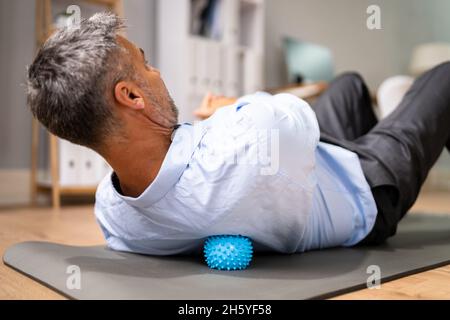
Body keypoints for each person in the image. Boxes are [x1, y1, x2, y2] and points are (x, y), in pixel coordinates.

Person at [27, 13, 450, 255]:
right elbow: (297, 117)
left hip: (309, 165)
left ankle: (388, 121)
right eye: (146, 63)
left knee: (348, 85)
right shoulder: (249, 139)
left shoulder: (112, 214)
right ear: (132, 95)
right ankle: (401, 141)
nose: (157, 73)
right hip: (364, 187)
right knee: (444, 78)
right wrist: (230, 105)